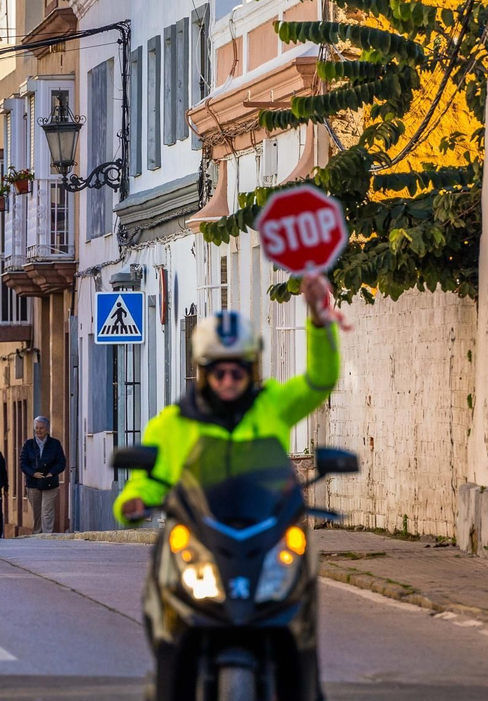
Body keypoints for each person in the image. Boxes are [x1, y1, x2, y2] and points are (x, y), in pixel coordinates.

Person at [114, 275, 348, 699]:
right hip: (202, 537)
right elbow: (149, 479)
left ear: (252, 369)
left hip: (265, 534)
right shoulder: (173, 423)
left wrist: (318, 319)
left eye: (237, 368)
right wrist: (134, 501)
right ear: (203, 372)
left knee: (301, 619)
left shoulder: (273, 405)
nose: (228, 378)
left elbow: (319, 381)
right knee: (169, 614)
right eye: (218, 370)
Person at [19, 416, 67, 534]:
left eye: (41, 428)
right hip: (33, 482)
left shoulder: (55, 444)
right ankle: (37, 533)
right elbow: (23, 463)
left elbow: (62, 462)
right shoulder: (28, 444)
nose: (39, 431)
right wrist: (33, 473)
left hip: (49, 481)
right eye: (36, 428)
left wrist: (52, 472)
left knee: (47, 510)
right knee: (37, 511)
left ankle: (47, 534)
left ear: (47, 429)